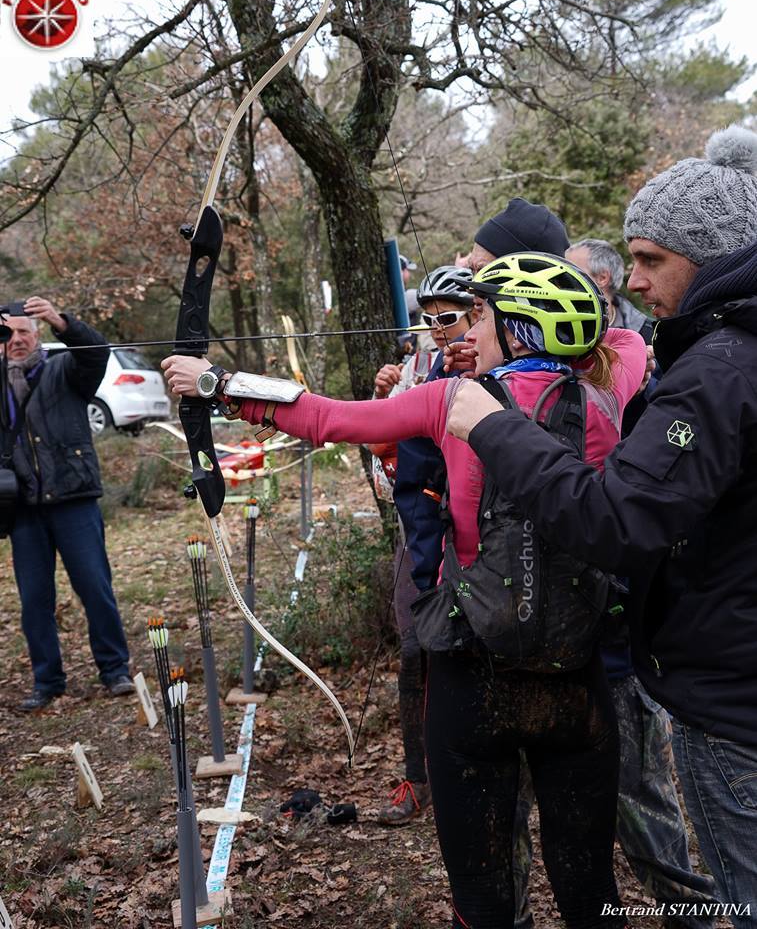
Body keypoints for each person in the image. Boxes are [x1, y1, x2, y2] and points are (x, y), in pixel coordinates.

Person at [162, 254, 647, 929]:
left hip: (473, 674)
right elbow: (621, 340)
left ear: (518, 329)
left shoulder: (455, 402)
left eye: (481, 317)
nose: (466, 331)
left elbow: (330, 419)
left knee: (481, 897)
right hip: (575, 672)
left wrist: (217, 385)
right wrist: (550, 330)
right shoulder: (609, 392)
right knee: (591, 889)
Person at [445, 124, 757, 925]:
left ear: (712, 255)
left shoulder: (718, 368)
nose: (633, 279)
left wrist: (492, 426)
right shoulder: (716, 355)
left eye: (650, 259)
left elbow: (618, 518)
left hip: (730, 701)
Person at [370, 265, 475, 825]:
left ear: (479, 314)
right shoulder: (418, 371)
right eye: (427, 319)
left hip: (479, 543)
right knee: (415, 652)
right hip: (422, 536)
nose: (436, 329)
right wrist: (382, 404)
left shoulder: (502, 363)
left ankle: (473, 767)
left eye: (448, 317)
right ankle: (419, 775)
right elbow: (387, 479)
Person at [1, 297, 134, 711]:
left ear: (37, 333)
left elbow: (97, 352)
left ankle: (115, 670)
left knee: (94, 587)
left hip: (74, 500)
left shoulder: (65, 369)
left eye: (24, 331)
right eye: (7, 333)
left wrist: (62, 321)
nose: (16, 340)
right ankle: (47, 681)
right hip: (24, 508)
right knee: (34, 599)